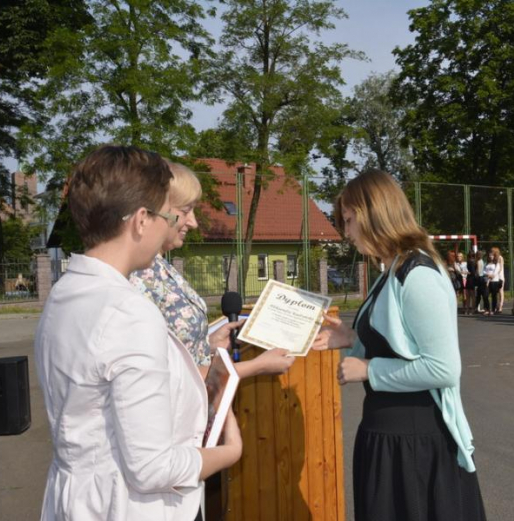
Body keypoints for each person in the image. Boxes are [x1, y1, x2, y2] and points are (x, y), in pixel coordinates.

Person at [34, 145, 241, 521]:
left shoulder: (66, 292)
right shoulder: (129, 312)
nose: (178, 225)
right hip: (126, 508)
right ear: (142, 220)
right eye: (168, 215)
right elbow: (152, 467)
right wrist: (228, 452)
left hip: (75, 499)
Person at [313, 169, 487, 521]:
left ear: (374, 214)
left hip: (415, 447)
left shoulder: (417, 274)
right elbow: (398, 343)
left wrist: (369, 369)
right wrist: (351, 338)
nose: (346, 232)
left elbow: (442, 368)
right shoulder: (391, 270)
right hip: (389, 440)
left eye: (349, 220)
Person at [130, 162, 294, 377]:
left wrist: (207, 344)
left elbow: (176, 353)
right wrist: (257, 366)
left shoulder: (160, 266)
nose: (194, 222)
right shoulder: (136, 275)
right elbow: (157, 376)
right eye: (186, 211)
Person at [484, 249, 501, 316]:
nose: (490, 256)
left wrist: (490, 276)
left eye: (492, 255)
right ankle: (487, 309)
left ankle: (493, 310)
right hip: (487, 282)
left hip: (494, 281)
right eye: (489, 255)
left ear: (494, 256)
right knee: (485, 295)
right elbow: (484, 272)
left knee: (494, 296)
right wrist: (487, 275)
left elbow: (495, 273)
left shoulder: (497, 264)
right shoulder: (486, 263)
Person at [492, 246, 506, 313]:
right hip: (494, 277)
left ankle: (500, 306)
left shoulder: (500, 258)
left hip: (500, 276)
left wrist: (496, 273)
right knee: (495, 292)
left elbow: (500, 268)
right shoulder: (493, 258)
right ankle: (496, 306)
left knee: (501, 291)